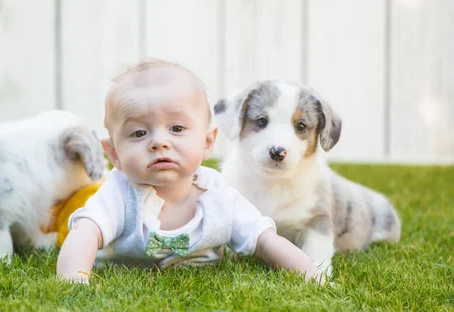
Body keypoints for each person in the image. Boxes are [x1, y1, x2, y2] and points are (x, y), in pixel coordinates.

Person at [56, 59, 323, 284]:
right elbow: (85, 233)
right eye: (139, 133)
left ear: (207, 142)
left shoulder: (219, 196)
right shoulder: (119, 192)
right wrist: (74, 281)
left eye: (177, 129)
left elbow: (266, 241)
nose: (160, 142)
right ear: (114, 154)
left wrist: (313, 277)